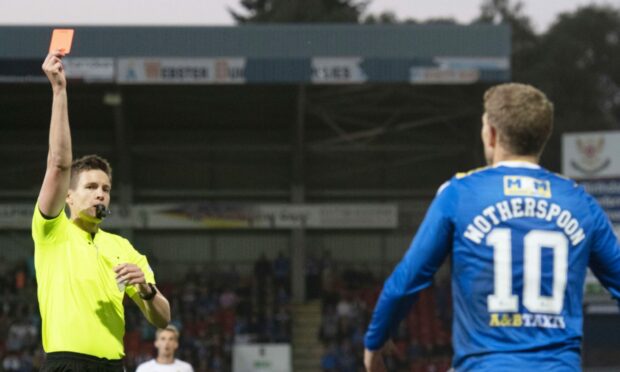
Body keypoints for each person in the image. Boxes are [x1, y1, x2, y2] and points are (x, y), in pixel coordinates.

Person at [364, 83, 620, 371]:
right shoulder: (579, 202)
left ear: (492, 134)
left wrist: (375, 342)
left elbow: (407, 280)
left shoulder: (459, 193)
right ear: (543, 137)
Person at [33, 51, 171, 371]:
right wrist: (59, 91)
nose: (100, 195)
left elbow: (163, 319)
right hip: (66, 364)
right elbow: (58, 163)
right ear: (69, 196)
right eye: (91, 187)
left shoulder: (122, 249)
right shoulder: (52, 232)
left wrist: (147, 291)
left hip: (114, 365)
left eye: (106, 189)